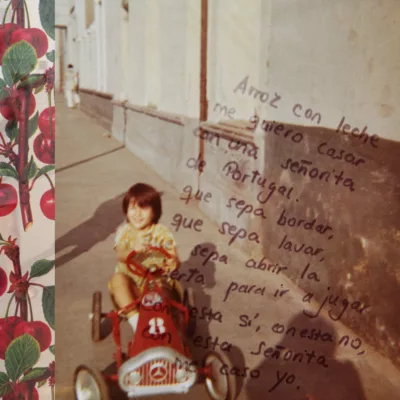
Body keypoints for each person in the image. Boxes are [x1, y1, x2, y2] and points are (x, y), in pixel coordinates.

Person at [109, 183, 180, 333]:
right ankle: (136, 321)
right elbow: (120, 253)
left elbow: (172, 254)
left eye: (144, 208)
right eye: (133, 208)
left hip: (155, 282)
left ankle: (163, 324)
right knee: (117, 280)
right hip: (131, 285)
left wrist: (172, 262)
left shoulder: (161, 232)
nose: (137, 214)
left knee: (163, 287)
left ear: (155, 211)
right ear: (126, 211)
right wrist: (132, 250)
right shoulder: (125, 232)